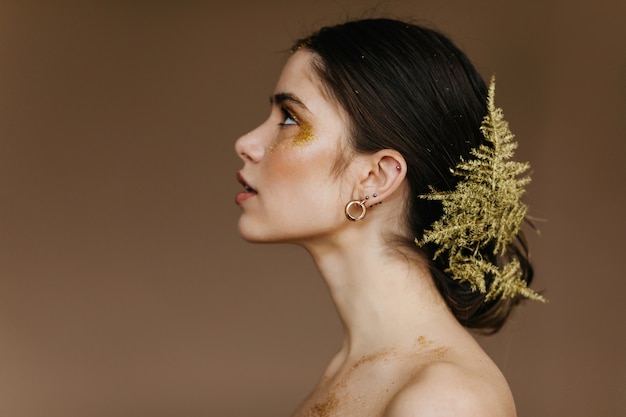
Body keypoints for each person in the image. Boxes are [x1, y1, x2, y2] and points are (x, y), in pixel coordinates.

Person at [234, 17, 543, 417]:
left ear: (376, 178)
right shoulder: (345, 373)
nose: (247, 143)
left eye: (290, 119)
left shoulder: (445, 400)